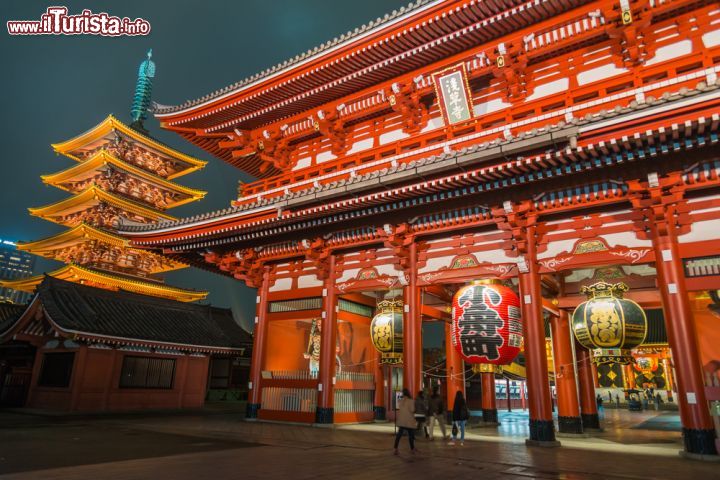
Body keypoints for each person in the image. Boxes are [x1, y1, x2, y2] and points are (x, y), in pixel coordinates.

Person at [394, 389, 419, 455]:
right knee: (410, 435)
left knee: (399, 435)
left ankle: (395, 449)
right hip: (408, 421)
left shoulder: (400, 401)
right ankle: (412, 449)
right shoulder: (411, 401)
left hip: (402, 421)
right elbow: (412, 410)